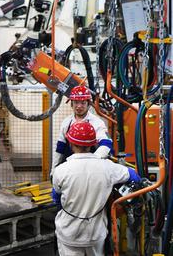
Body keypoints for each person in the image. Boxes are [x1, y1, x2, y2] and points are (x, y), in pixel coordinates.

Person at [52, 121, 141, 256]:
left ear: (70, 143)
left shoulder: (60, 171)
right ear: (94, 144)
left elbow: (57, 199)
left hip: (69, 233)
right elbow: (134, 176)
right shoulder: (108, 167)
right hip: (95, 234)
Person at [51, 85, 113, 175]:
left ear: (88, 104)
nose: (79, 106)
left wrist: (93, 161)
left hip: (92, 171)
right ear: (71, 103)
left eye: (83, 103)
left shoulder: (97, 123)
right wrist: (54, 171)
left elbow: (106, 144)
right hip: (70, 169)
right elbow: (60, 149)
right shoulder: (66, 123)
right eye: (76, 102)